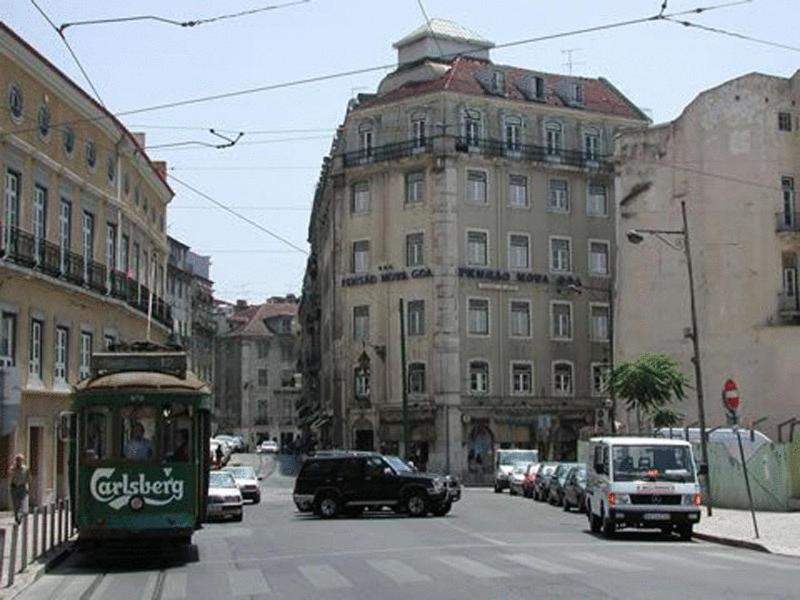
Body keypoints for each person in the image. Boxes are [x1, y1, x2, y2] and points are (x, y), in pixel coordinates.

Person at [8, 454, 31, 524]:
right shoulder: (12, 468)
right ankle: (17, 517)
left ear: (22, 461)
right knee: (15, 503)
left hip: (22, 487)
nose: (19, 461)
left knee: (21, 502)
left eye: (20, 460)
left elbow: (29, 478)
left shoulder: (26, 469)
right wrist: (13, 469)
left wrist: (28, 487)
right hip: (14, 487)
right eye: (17, 460)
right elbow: (9, 475)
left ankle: (20, 515)